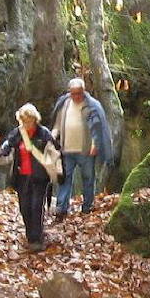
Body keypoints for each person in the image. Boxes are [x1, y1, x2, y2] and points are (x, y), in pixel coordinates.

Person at [0, 103, 61, 252]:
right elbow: (7, 147)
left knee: (36, 206)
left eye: (29, 121)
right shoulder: (17, 133)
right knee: (25, 208)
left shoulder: (43, 134)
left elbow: (55, 150)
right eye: (24, 121)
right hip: (22, 177)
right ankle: (31, 236)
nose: (27, 124)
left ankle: (36, 240)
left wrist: (57, 170)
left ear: (35, 119)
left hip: (40, 177)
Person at [47, 77, 113, 219]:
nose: (76, 96)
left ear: (84, 91)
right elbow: (57, 125)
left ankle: (87, 206)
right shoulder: (64, 104)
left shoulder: (92, 106)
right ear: (70, 92)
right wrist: (53, 136)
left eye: (79, 93)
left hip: (86, 150)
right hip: (66, 149)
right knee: (64, 178)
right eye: (73, 93)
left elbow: (97, 127)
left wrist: (95, 144)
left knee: (88, 178)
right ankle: (61, 207)